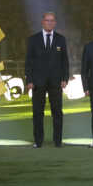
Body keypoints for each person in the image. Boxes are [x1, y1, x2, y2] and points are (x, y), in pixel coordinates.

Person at [24, 12, 69, 147]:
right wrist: (29, 80)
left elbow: (64, 61)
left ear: (55, 23)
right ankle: (38, 141)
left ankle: (58, 141)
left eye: (52, 21)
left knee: (57, 112)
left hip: (56, 82)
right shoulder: (33, 39)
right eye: (47, 20)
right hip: (38, 82)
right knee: (37, 112)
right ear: (42, 22)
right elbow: (29, 62)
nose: (49, 23)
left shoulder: (61, 39)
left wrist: (65, 78)